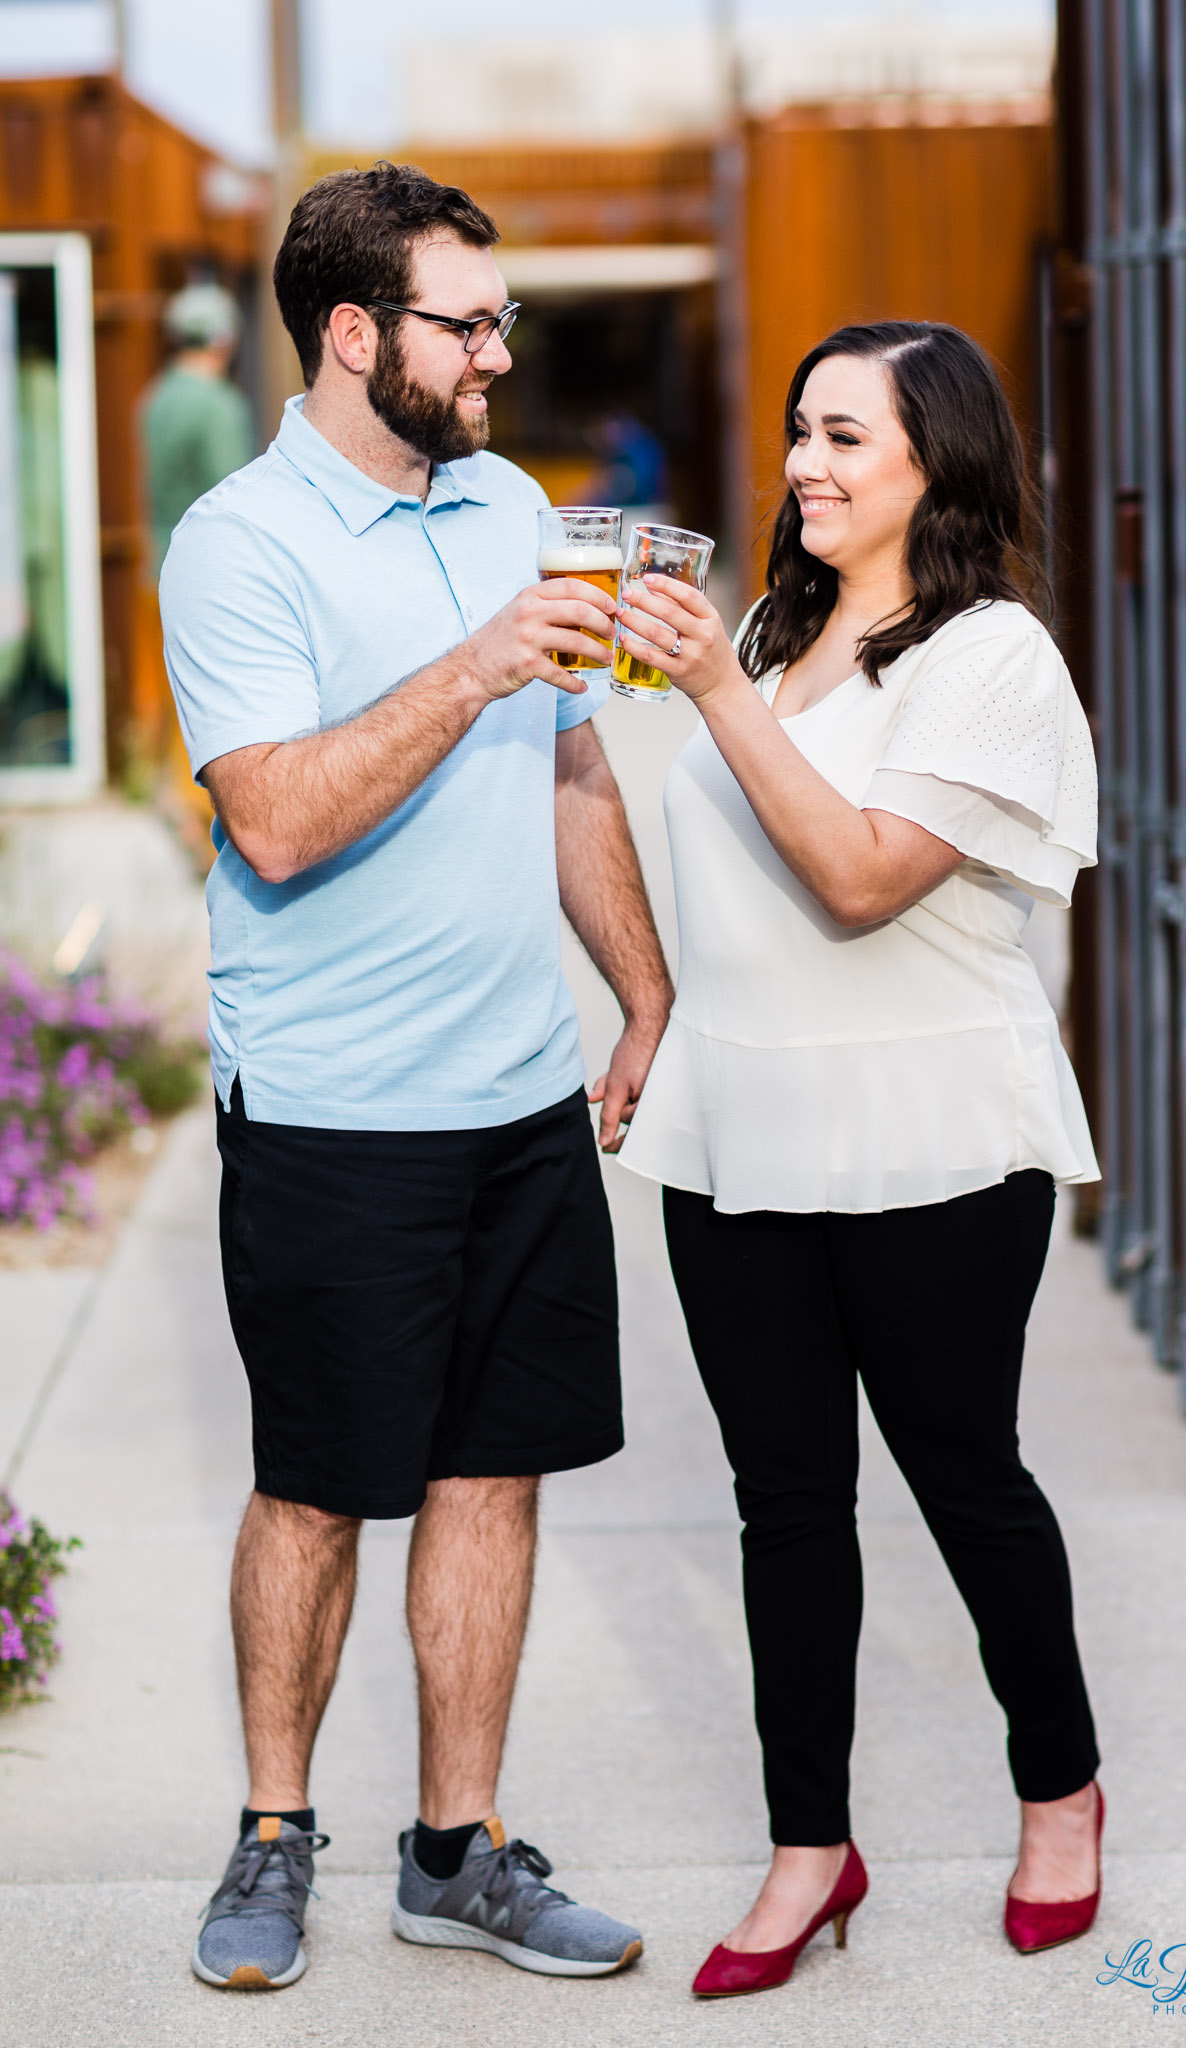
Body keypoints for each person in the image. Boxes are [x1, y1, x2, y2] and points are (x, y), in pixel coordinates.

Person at [159, 162, 672, 1992]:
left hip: (518, 1101)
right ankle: (276, 1830)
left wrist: (639, 992)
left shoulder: (516, 500)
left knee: (494, 1473)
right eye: (469, 320)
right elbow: (280, 819)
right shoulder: (239, 542)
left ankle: (457, 1846)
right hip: (329, 1112)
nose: (498, 349)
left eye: (502, 316)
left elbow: (572, 764)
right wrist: (471, 663)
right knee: (316, 1485)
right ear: (356, 330)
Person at [616, 320, 1105, 1996]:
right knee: (785, 1507)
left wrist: (708, 688)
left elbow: (857, 875)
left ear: (935, 461)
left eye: (848, 436)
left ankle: (1060, 1790)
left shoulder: (989, 658)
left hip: (935, 1141)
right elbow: (727, 875)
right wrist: (650, 1007)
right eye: (800, 432)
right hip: (736, 1133)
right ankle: (808, 1845)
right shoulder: (776, 626)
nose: (807, 464)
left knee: (968, 1481)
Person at [141, 282, 254, 573]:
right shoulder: (218, 404)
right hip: (205, 565)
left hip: (158, 562)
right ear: (223, 339)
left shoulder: (154, 398)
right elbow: (233, 499)